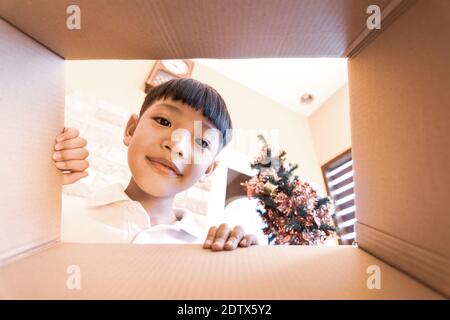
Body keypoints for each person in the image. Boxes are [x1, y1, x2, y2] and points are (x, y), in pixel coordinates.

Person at [53, 79, 259, 251]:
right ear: (131, 130)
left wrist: (242, 262)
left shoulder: (205, 249)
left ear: (209, 168)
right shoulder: (58, 215)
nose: (177, 146)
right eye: (163, 121)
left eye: (202, 142)